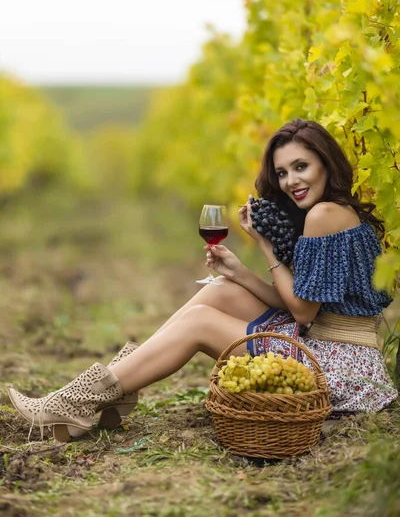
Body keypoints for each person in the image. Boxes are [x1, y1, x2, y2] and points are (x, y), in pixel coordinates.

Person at [7, 118, 398, 442]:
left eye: (301, 166)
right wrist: (238, 273)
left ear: (325, 163)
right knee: (221, 289)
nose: (290, 181)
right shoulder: (332, 211)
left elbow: (302, 310)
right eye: (281, 172)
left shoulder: (324, 215)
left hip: (341, 366)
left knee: (199, 323)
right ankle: (112, 393)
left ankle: (78, 401)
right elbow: (302, 306)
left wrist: (263, 245)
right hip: (324, 344)